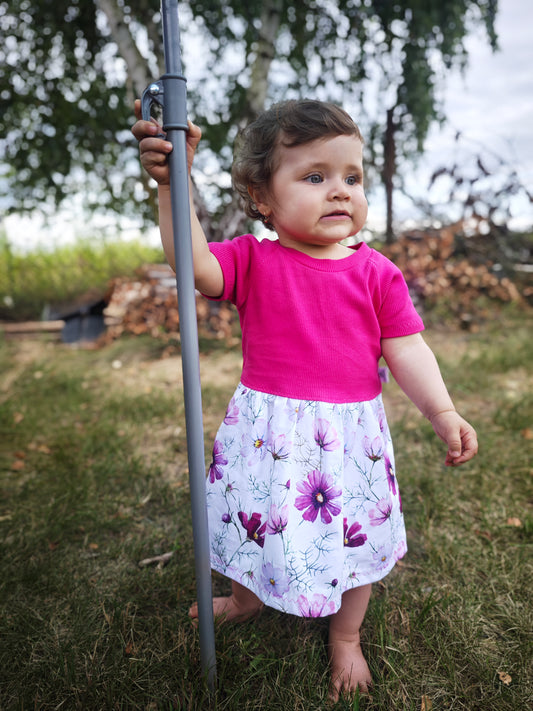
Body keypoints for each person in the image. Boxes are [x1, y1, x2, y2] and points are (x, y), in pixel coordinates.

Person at [132, 99, 478, 701]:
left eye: (352, 177)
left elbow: (409, 350)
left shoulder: (377, 273)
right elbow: (192, 264)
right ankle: (246, 598)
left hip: (349, 441)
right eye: (315, 177)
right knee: (253, 523)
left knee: (355, 539)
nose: (340, 191)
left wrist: (442, 411)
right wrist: (173, 185)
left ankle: (345, 636)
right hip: (268, 432)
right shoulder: (254, 260)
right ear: (263, 197)